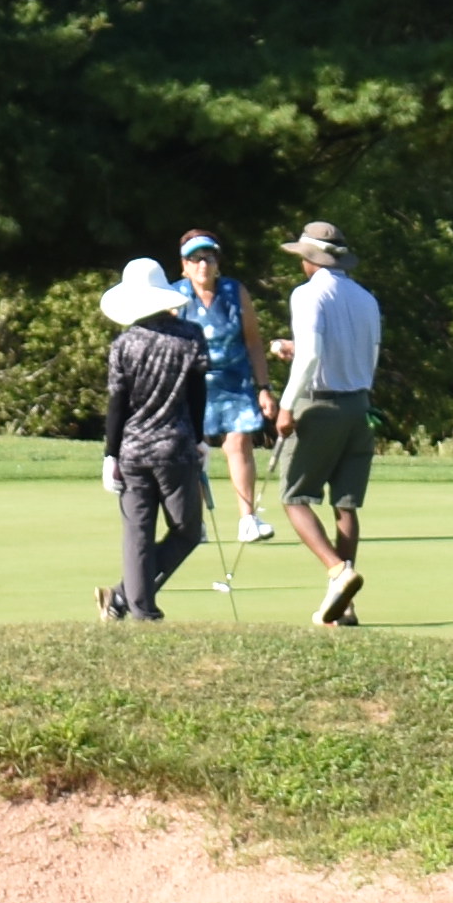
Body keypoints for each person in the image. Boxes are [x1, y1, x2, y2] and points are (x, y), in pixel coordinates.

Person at [273, 219, 384, 625]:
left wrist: (286, 406)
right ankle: (345, 605)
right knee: (346, 504)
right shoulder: (366, 299)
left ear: (309, 259)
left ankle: (338, 572)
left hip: (319, 406)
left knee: (294, 498)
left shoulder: (306, 296)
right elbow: (366, 355)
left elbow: (311, 357)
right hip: (360, 406)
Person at [92, 254, 206, 620]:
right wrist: (202, 439)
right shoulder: (190, 337)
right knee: (187, 531)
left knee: (137, 533)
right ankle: (132, 602)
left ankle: (133, 603)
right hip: (176, 447)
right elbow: (197, 394)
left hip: (133, 451)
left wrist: (110, 455)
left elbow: (117, 404)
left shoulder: (124, 344)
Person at [175, 230, 267, 571]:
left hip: (235, 380)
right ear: (184, 266)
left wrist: (264, 386)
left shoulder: (234, 291)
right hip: (193, 383)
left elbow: (254, 342)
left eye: (208, 257)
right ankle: (196, 524)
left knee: (239, 442)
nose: (203, 264)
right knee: (193, 452)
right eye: (195, 259)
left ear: (217, 262)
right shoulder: (175, 297)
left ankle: (247, 519)